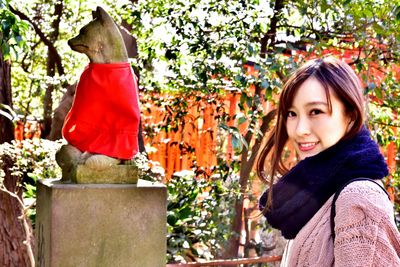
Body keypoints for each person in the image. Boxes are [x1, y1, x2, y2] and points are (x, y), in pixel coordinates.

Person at [257, 57, 400, 266]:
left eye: (316, 111)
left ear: (350, 115)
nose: (300, 130)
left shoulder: (357, 199)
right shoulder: (317, 191)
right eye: (292, 114)